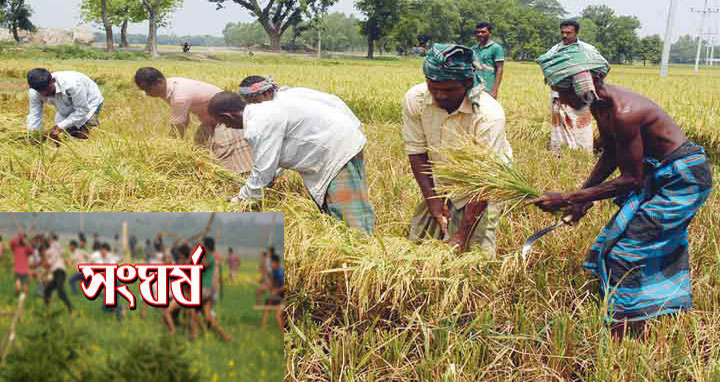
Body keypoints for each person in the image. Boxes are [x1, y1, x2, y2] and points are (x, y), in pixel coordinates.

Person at [531, 44, 713, 340]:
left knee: (627, 251)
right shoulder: (601, 107)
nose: (560, 99)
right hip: (660, 173)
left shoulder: (624, 112)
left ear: (581, 86)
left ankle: (623, 328)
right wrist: (583, 199)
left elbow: (631, 179)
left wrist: (567, 198)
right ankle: (648, 307)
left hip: (683, 179)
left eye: (561, 91)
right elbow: (611, 155)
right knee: (620, 239)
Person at [208, 91, 376, 234]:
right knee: (336, 205)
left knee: (348, 208)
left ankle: (362, 249)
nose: (227, 127)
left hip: (335, 148)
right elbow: (273, 163)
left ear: (227, 116)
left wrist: (241, 201)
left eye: (223, 122)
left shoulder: (259, 123)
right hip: (334, 145)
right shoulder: (263, 113)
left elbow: (263, 170)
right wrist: (265, 182)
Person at [403, 43, 512, 255]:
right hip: (441, 179)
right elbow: (417, 153)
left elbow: (483, 180)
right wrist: (433, 201)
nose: (441, 96)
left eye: (449, 90)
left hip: (485, 184)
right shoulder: (416, 99)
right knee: (419, 248)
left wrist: (462, 235)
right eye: (434, 88)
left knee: (475, 255)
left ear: (468, 83)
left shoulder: (488, 114)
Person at [133, 67, 253, 175]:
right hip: (209, 119)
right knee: (200, 151)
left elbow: (178, 126)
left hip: (227, 119)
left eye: (148, 89)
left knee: (225, 150)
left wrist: (169, 149)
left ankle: (236, 178)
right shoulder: (169, 87)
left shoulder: (179, 95)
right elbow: (183, 121)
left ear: (159, 82)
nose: (147, 94)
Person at [543, 20, 600, 153]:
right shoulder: (555, 50)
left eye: (568, 33)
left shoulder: (587, 50)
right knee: (560, 125)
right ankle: (558, 151)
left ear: (576, 33)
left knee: (581, 124)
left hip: (581, 97)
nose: (564, 35)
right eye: (562, 32)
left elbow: (599, 69)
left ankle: (583, 152)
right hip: (559, 96)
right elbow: (547, 69)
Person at [26, 68, 104, 142]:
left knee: (83, 133)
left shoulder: (72, 85)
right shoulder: (34, 92)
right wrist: (33, 135)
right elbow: (35, 115)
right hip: (64, 105)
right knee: (67, 134)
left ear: (53, 81)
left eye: (47, 89)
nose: (44, 93)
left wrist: (60, 127)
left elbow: (82, 110)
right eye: (40, 91)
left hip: (89, 101)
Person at [470, 22, 505, 99]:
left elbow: (500, 69)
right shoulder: (473, 49)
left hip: (488, 87)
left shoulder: (496, 48)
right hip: (474, 87)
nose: (480, 34)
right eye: (477, 32)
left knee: (488, 110)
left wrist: (495, 90)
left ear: (490, 33)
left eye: (483, 32)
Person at [91, 243, 123, 320]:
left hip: (115, 281)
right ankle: (120, 309)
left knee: (115, 302)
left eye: (103, 250)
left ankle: (120, 319)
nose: (102, 252)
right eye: (101, 251)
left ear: (106, 250)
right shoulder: (102, 259)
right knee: (104, 307)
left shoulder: (110, 258)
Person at [42, 237, 73, 313]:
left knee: (60, 291)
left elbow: (48, 264)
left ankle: (71, 309)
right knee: (47, 290)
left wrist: (44, 261)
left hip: (60, 272)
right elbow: (49, 267)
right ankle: (47, 310)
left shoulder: (49, 252)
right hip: (57, 273)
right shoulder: (54, 249)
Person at [263, 254, 284, 330]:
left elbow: (285, 287)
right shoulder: (274, 272)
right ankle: (263, 328)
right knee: (267, 305)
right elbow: (273, 284)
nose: (271, 265)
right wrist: (269, 287)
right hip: (278, 297)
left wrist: (277, 291)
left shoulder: (281, 272)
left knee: (277, 315)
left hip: (284, 298)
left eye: (272, 263)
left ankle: (282, 332)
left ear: (276, 263)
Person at [9, 231, 33, 296]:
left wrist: (27, 243)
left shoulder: (26, 249)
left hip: (25, 272)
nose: (24, 240)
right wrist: (19, 237)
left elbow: (31, 251)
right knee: (18, 288)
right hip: (17, 271)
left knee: (25, 290)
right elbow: (11, 243)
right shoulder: (15, 248)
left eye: (25, 239)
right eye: (23, 239)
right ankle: (15, 298)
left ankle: (22, 302)